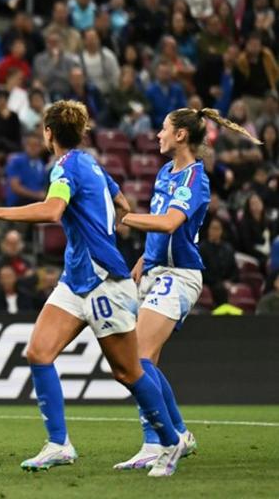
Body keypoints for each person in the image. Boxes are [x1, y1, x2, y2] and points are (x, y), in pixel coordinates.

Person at [0, 100, 187, 477]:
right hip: (76, 278)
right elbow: (120, 201)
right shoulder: (93, 165)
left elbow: (52, 211)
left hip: (104, 281)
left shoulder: (66, 166)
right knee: (38, 352)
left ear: (48, 133)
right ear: (81, 132)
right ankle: (59, 444)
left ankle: (170, 442)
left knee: (127, 371)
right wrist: (104, 227)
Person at [116, 108, 251, 469]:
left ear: (180, 136)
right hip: (154, 272)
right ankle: (154, 442)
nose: (157, 135)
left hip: (180, 275)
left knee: (137, 358)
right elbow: (158, 232)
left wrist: (124, 218)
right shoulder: (164, 172)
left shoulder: (195, 179)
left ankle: (174, 438)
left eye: (163, 129)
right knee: (146, 362)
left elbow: (171, 222)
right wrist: (139, 267)